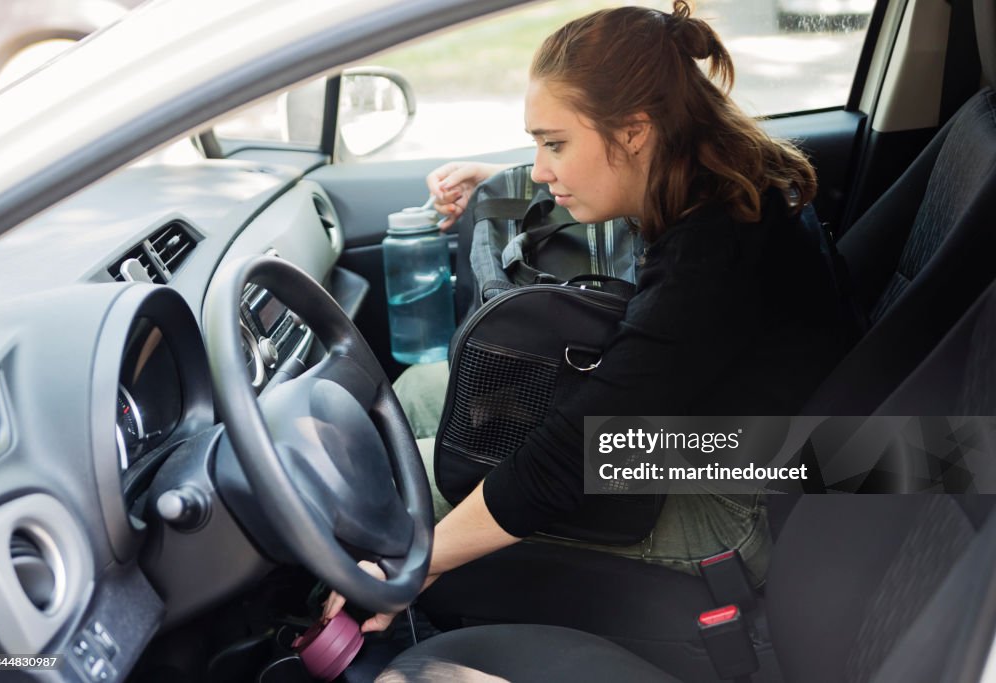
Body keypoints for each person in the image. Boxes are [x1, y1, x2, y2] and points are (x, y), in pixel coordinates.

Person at [324, 2, 847, 632]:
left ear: (634, 131)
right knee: (425, 390)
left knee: (394, 491)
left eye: (555, 144)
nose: (541, 169)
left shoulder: (713, 253)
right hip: (707, 444)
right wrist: (509, 183)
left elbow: (573, 457)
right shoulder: (719, 183)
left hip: (732, 495)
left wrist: (413, 560)